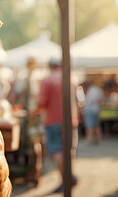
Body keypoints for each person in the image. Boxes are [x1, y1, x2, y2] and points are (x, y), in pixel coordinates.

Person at [31, 59, 78, 193]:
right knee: (69, 150)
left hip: (53, 120)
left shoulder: (48, 80)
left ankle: (66, 180)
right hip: (70, 120)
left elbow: (42, 102)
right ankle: (69, 178)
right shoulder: (70, 79)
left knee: (57, 151)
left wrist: (34, 112)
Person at [83, 78, 104, 144]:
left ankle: (90, 139)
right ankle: (98, 138)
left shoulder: (90, 91)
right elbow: (102, 100)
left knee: (90, 125)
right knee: (96, 125)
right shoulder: (98, 90)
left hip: (90, 109)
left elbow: (88, 101)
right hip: (96, 109)